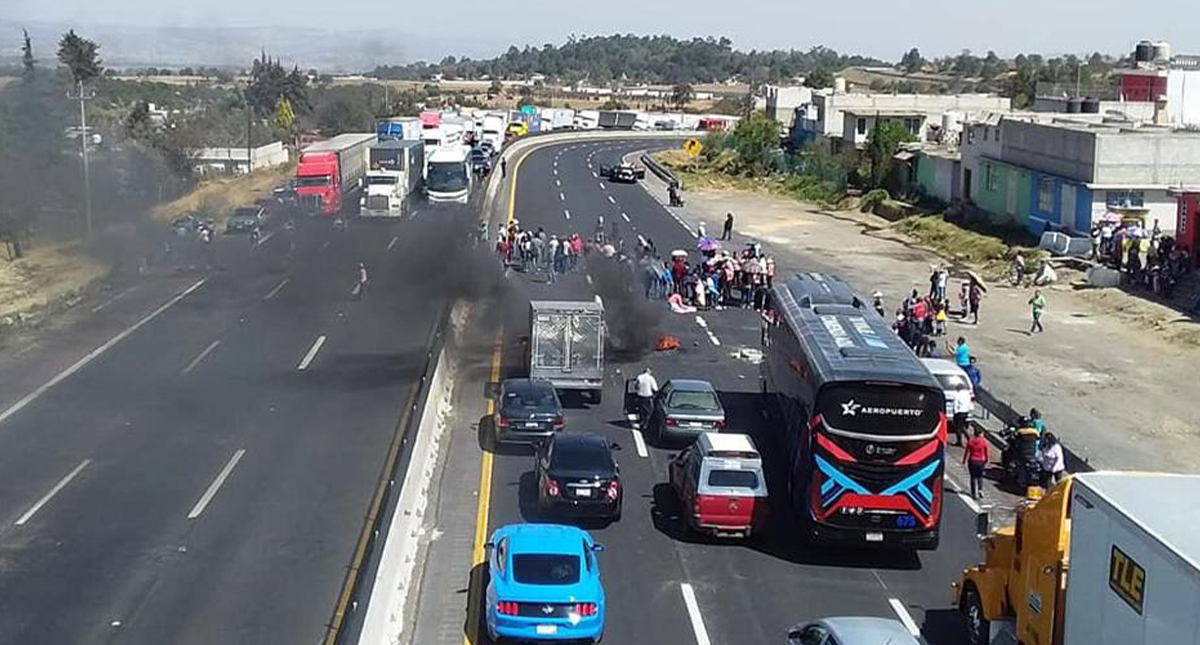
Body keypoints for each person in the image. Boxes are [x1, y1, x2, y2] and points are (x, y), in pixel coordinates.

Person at [963, 426, 990, 499]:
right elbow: (986, 452)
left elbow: (967, 451)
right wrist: (986, 460)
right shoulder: (984, 441)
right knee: (980, 476)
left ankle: (973, 493)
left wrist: (964, 460)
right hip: (981, 460)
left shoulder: (971, 441)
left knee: (973, 477)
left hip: (972, 460)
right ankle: (980, 489)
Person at [950, 381, 974, 446]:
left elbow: (955, 404)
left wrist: (954, 413)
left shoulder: (957, 395)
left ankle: (961, 440)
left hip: (959, 412)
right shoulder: (967, 395)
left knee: (958, 427)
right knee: (962, 426)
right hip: (965, 411)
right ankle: (964, 439)